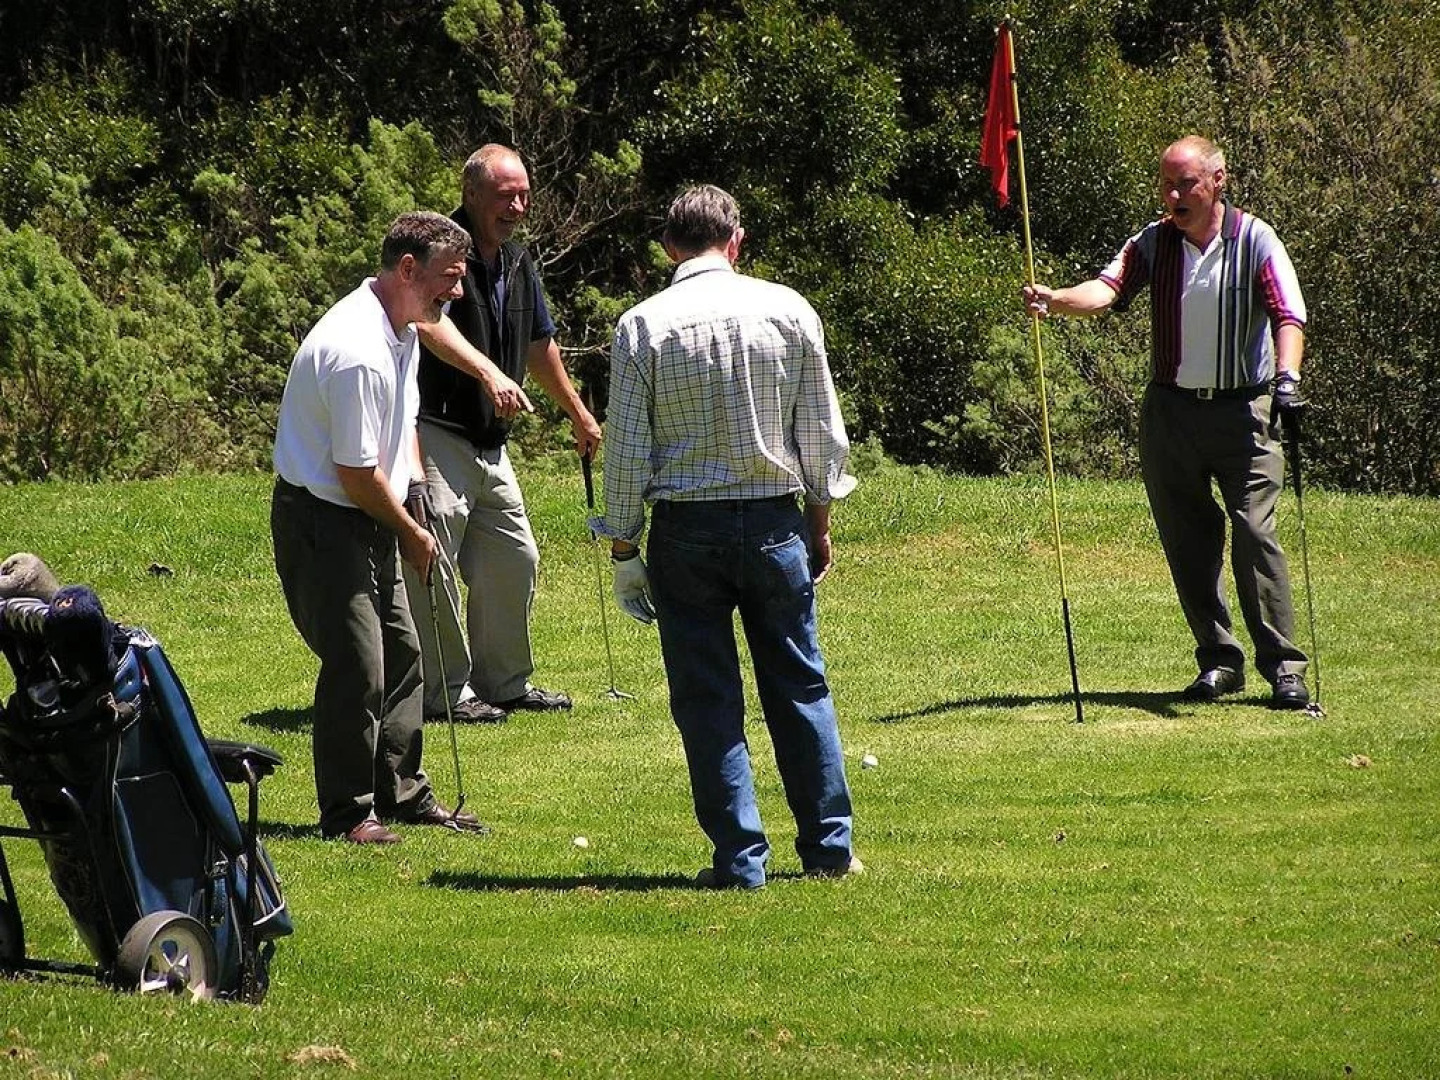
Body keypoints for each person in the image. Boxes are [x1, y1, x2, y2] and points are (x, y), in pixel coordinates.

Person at [594, 184, 861, 889]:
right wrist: (819, 522)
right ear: (735, 240)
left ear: (668, 246)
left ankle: (740, 861)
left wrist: (623, 546)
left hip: (687, 529)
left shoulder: (642, 325)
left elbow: (626, 452)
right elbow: (820, 434)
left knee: (707, 697)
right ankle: (830, 850)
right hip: (775, 519)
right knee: (800, 684)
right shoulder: (790, 309)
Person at [1023, 135, 1311, 710]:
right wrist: (1056, 300)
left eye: (1186, 184)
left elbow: (1289, 314)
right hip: (1171, 412)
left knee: (1254, 533)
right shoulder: (1153, 242)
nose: (1174, 196)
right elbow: (1106, 290)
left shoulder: (1256, 240)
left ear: (1218, 181)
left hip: (1245, 411)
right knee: (1188, 540)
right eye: (1167, 185)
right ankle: (1220, 662)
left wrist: (1288, 379)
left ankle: (1285, 669)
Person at [271, 211, 487, 844]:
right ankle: (348, 813)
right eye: (449, 277)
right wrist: (412, 533)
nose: (457, 292)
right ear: (408, 269)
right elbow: (356, 473)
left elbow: (403, 425)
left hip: (371, 508)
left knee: (403, 653)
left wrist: (417, 488)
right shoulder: (357, 351)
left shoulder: (404, 329)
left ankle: (401, 793)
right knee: (358, 663)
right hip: (325, 519)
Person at [404, 143, 602, 725]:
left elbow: (539, 344)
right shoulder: (439, 251)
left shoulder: (517, 261)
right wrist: (488, 372)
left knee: (515, 557)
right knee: (434, 558)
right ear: (471, 194)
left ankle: (505, 684)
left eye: (523, 196)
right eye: (504, 196)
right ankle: (444, 693)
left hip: (492, 443)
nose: (516, 207)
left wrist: (577, 412)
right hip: (435, 430)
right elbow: (424, 322)